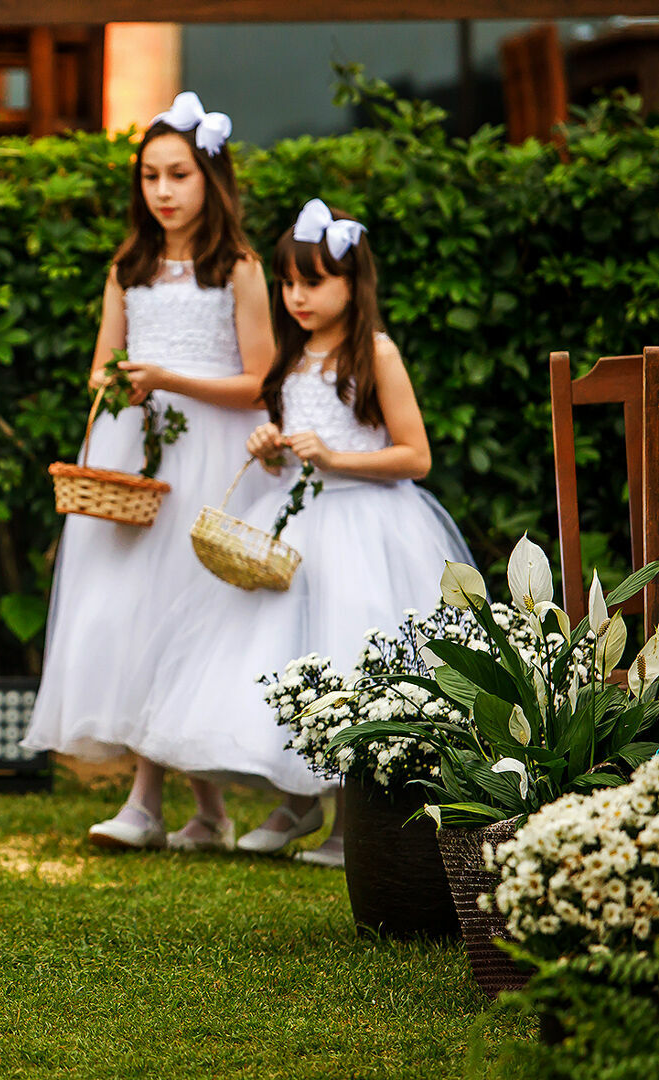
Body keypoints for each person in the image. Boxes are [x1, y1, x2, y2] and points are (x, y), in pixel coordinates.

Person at [128, 199, 473, 865]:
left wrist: (335, 457)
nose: (295, 297)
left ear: (353, 283)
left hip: (367, 523)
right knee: (284, 659)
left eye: (312, 283)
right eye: (288, 283)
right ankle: (294, 802)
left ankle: (353, 823)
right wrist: (270, 449)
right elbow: (294, 448)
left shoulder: (373, 353)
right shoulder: (289, 359)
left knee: (350, 655)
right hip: (297, 520)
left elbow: (414, 455)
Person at [20, 92, 273, 853]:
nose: (162, 192)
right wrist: (121, 379)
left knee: (188, 616)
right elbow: (102, 361)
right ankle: (183, 806)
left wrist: (169, 379)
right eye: (150, 177)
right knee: (127, 613)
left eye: (178, 176)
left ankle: (167, 802)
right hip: (135, 453)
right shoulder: (127, 266)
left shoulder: (239, 269)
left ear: (211, 182)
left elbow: (260, 380)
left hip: (210, 452)